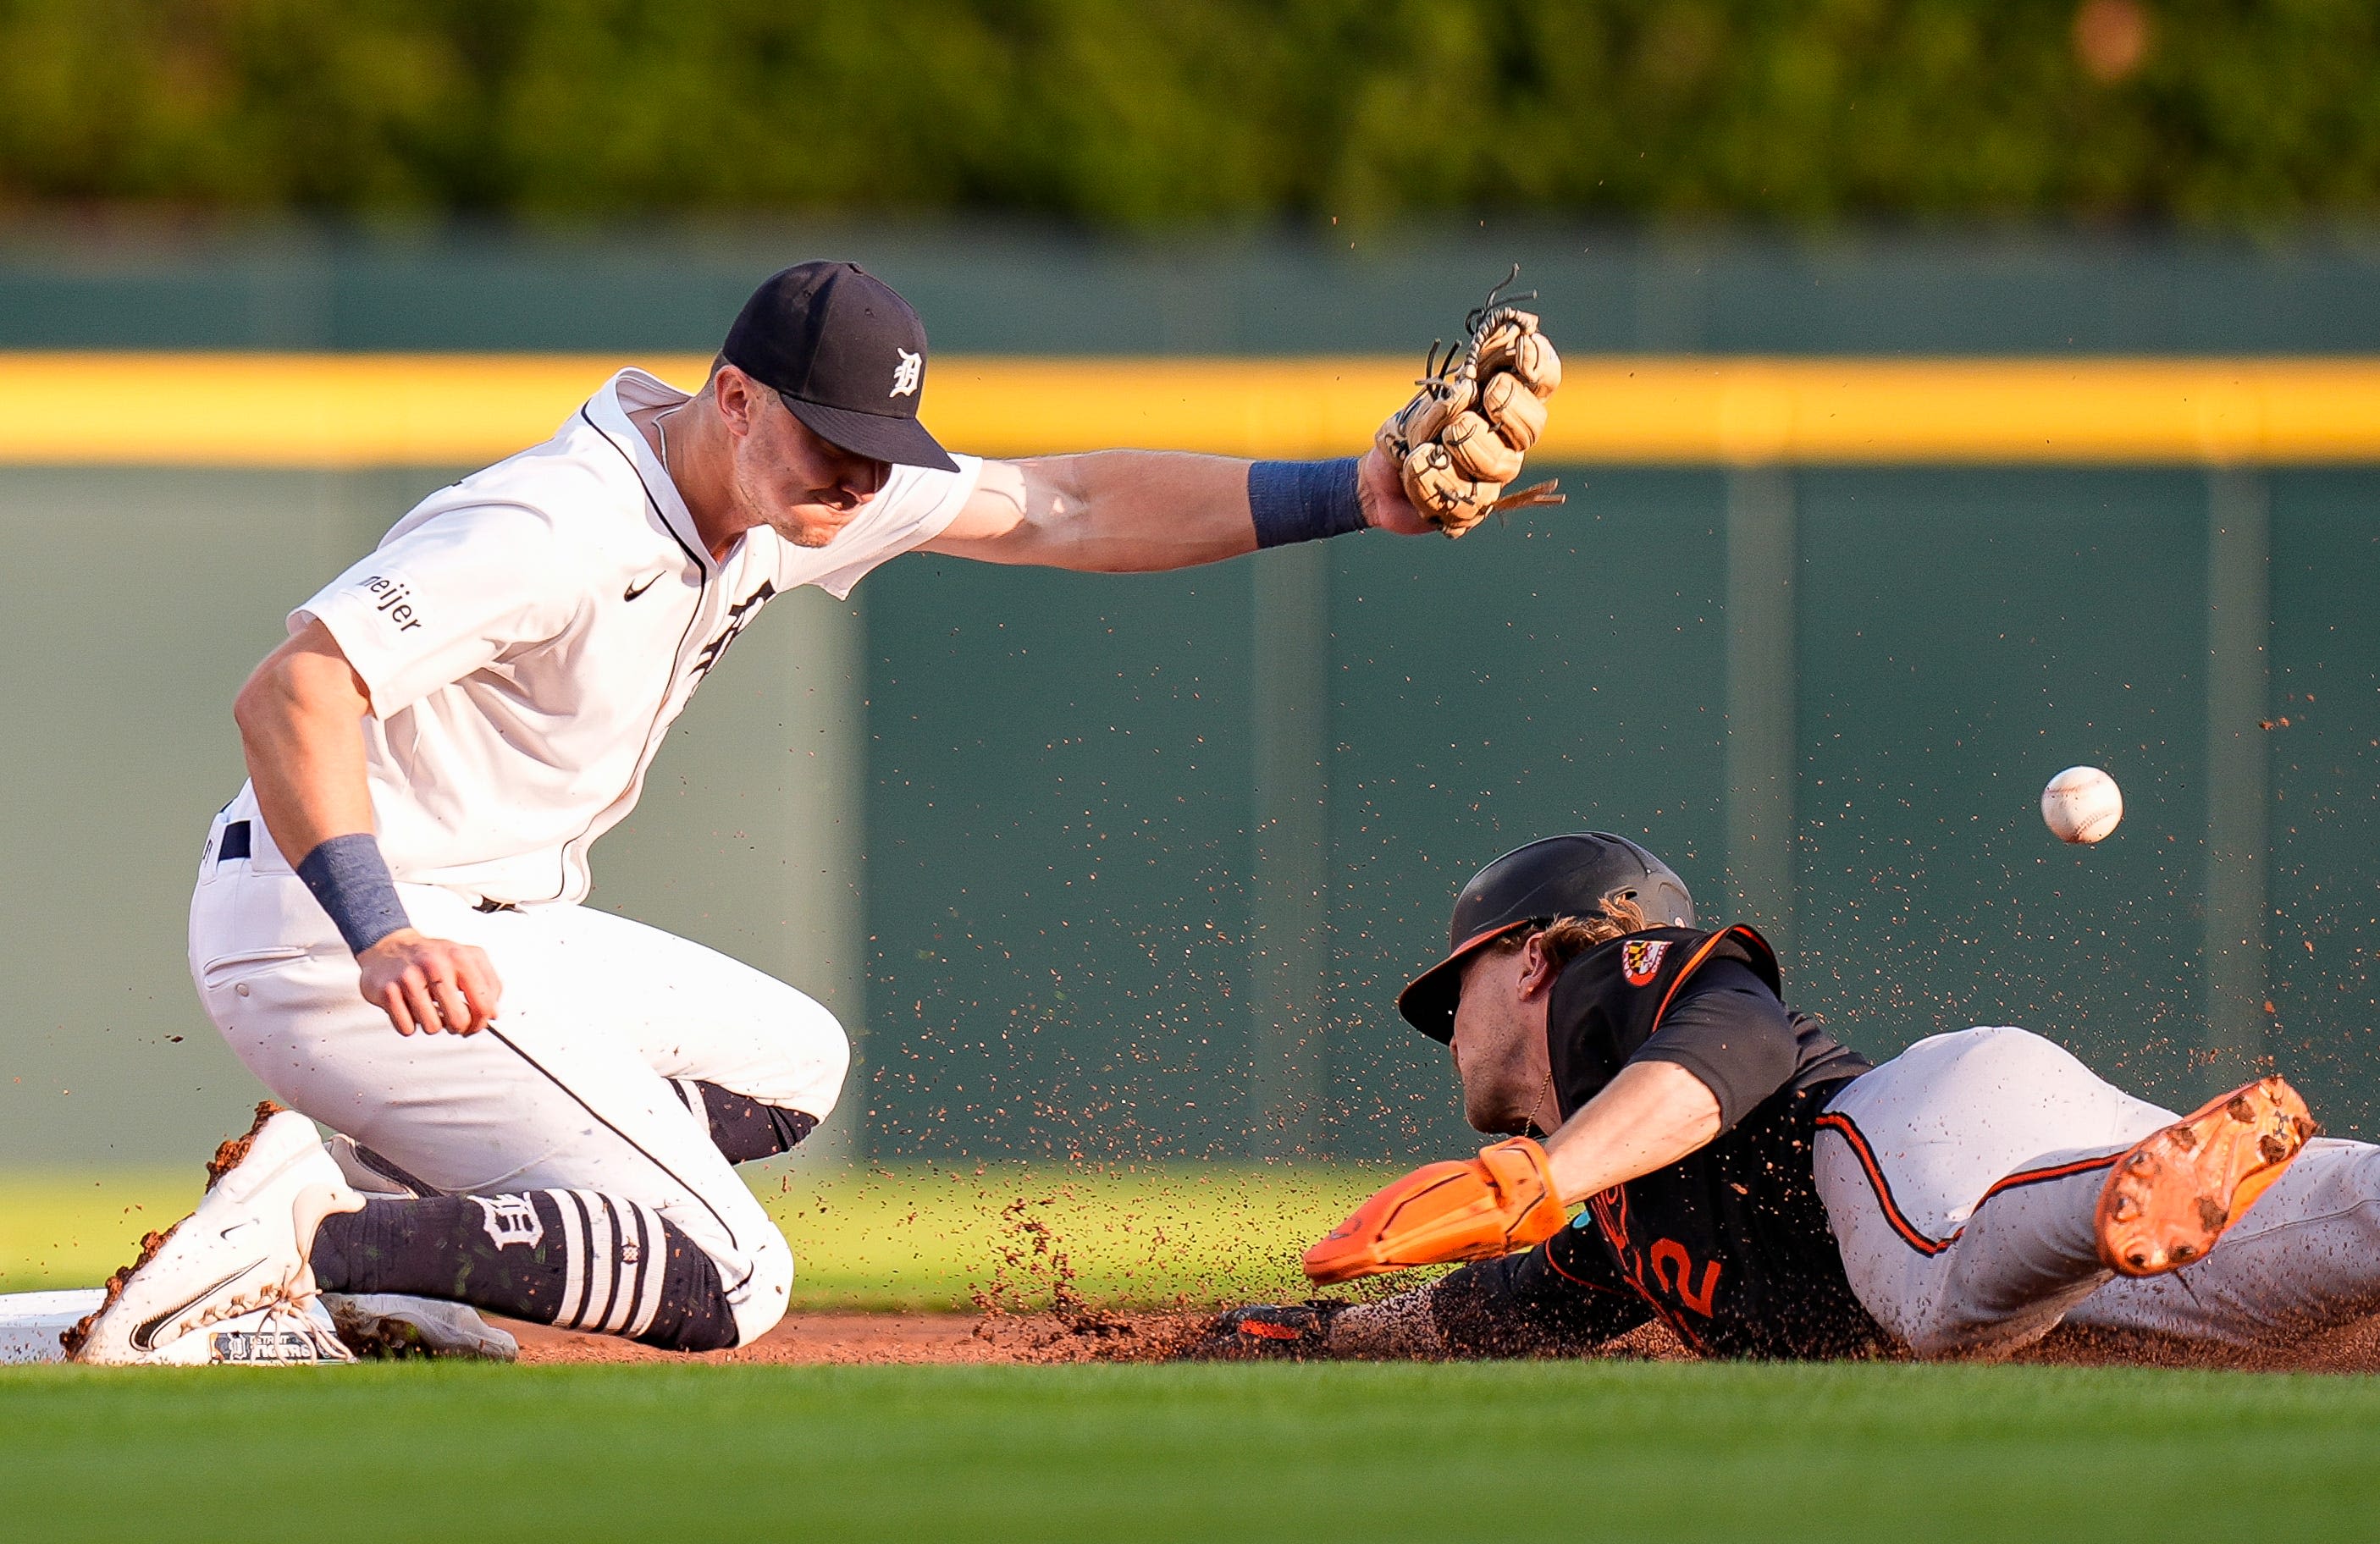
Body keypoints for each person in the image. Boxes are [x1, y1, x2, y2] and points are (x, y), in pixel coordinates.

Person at [69, 262, 1565, 1365]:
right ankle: (308, 1238)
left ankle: (361, 1240)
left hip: (485, 924)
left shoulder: (784, 490)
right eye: (830, 440)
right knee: (730, 1271)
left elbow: (1064, 507)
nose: (861, 477)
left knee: (793, 1063)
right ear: (733, 398)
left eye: (878, 446)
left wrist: (1353, 490)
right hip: (338, 930)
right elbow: (292, 693)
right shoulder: (554, 525)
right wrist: (380, 930)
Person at [1209, 831, 2380, 1365]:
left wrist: (1544, 1174)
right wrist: (1327, 1336)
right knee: (2317, 1262)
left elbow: (1743, 1035)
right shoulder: (1629, 1213)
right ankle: (2171, 1180)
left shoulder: (1614, 988)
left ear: (1526, 957)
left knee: (1937, 1301)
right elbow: (1516, 1307)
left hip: (1907, 1137)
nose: (1446, 1028)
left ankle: (2111, 1197)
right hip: (2039, 1176)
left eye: (1450, 988)